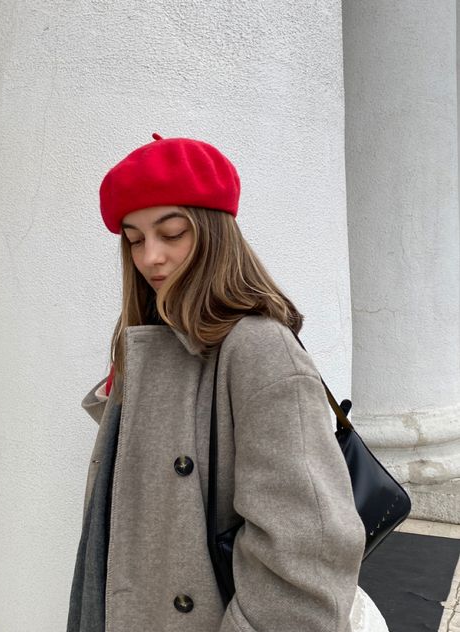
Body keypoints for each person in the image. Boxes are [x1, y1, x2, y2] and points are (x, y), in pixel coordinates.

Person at [66, 132, 379, 632]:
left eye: (171, 233)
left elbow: (306, 550)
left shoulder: (258, 349)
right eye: (135, 238)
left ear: (214, 233)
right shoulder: (152, 343)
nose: (150, 257)